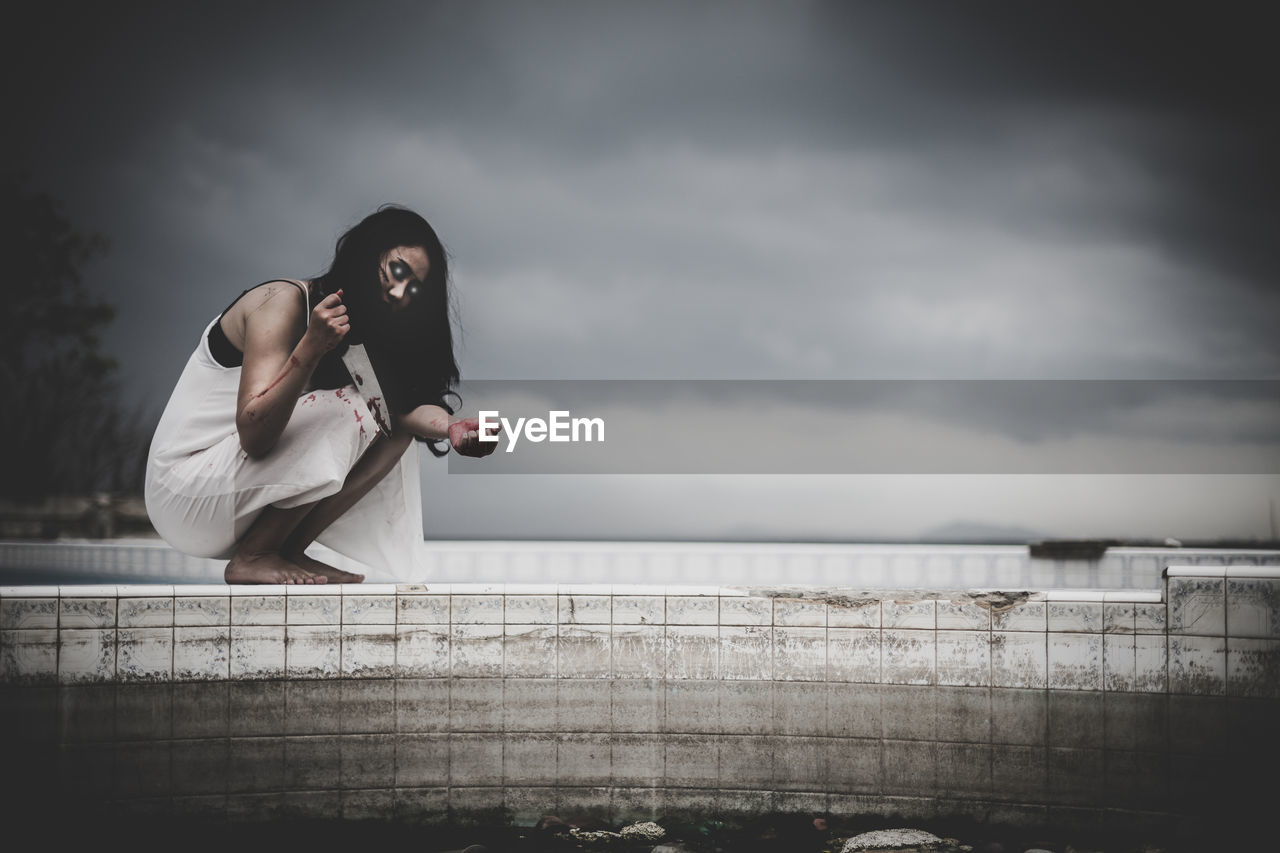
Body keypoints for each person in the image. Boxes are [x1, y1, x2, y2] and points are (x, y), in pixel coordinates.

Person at [144, 205, 496, 584]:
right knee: (360, 406)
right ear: (366, 254)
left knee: (392, 428)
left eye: (413, 287)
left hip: (230, 497)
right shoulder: (280, 302)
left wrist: (454, 428)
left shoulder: (355, 339)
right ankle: (256, 554)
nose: (398, 292)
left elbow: (403, 414)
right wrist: (310, 349)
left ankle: (288, 549)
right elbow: (255, 436)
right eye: (396, 272)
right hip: (184, 490)